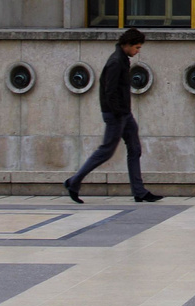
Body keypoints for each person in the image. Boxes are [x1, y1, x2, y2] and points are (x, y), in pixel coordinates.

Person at [64, 28, 163, 204]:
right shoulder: (116, 62)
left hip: (124, 113)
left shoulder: (123, 59)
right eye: (137, 47)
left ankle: (139, 192)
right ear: (127, 44)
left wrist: (124, 112)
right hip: (116, 114)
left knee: (135, 149)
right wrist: (118, 113)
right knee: (106, 151)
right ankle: (74, 182)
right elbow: (109, 91)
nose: (138, 51)